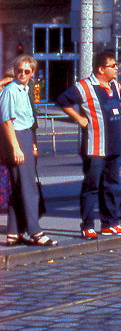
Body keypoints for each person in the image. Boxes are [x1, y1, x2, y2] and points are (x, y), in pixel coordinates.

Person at [56, 50, 121, 240]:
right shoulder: (84, 87)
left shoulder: (116, 86)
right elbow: (62, 100)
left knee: (111, 185)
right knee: (91, 186)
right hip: (95, 146)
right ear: (101, 69)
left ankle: (110, 223)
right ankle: (87, 225)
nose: (116, 69)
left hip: (114, 146)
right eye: (113, 66)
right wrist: (78, 118)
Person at [1, 55, 57, 247]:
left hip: (24, 136)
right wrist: (16, 147)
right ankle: (35, 231)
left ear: (32, 73)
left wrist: (32, 144)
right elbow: (7, 121)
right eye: (19, 70)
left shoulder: (25, 90)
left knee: (19, 188)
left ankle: (13, 233)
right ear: (15, 71)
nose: (22, 74)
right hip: (16, 137)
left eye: (27, 71)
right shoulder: (11, 91)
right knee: (28, 188)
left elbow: (29, 121)